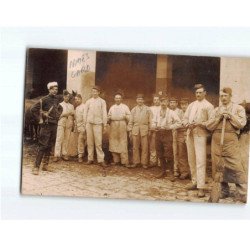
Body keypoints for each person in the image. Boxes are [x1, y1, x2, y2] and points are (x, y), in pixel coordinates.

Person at [206, 87, 247, 202]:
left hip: (230, 140)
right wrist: (219, 118)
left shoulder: (238, 109)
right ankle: (224, 190)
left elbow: (241, 124)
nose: (223, 98)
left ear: (230, 96)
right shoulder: (216, 110)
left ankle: (243, 192)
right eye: (221, 96)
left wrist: (230, 116)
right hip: (217, 140)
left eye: (225, 96)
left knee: (236, 165)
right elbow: (209, 126)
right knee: (219, 165)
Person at [183, 84, 214, 198]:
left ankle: (201, 187)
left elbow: (211, 122)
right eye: (196, 93)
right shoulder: (191, 105)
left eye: (200, 92)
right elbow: (185, 118)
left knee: (200, 160)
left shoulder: (209, 106)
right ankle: (195, 182)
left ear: (205, 93)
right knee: (191, 159)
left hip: (200, 135)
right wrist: (187, 124)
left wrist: (200, 124)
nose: (198, 94)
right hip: (190, 134)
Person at [30, 82, 63, 175]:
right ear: (49, 90)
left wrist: (58, 115)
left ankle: (45, 165)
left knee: (49, 145)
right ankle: (36, 167)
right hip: (46, 125)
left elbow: (60, 108)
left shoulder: (56, 99)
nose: (55, 91)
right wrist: (40, 119)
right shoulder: (43, 100)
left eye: (56, 89)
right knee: (43, 146)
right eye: (53, 89)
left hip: (54, 125)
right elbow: (33, 109)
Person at [154, 96, 181, 180]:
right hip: (158, 133)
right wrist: (155, 126)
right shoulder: (157, 112)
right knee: (160, 153)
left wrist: (170, 127)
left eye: (165, 102)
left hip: (167, 134)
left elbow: (179, 123)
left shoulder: (172, 112)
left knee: (169, 154)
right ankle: (163, 171)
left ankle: (171, 173)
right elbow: (153, 122)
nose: (163, 103)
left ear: (168, 103)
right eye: (161, 101)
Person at [83, 86, 108, 167]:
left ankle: (101, 160)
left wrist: (104, 124)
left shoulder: (102, 102)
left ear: (99, 92)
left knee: (98, 142)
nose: (94, 93)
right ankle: (90, 159)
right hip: (89, 123)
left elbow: (104, 113)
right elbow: (85, 113)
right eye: (93, 91)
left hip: (98, 124)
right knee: (90, 142)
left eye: (96, 91)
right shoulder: (88, 101)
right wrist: (85, 123)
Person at [127, 94, 152, 168]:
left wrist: (150, 129)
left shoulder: (148, 109)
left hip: (145, 129)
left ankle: (144, 163)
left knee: (145, 147)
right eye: (138, 99)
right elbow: (130, 121)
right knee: (135, 147)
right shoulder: (133, 110)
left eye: (141, 99)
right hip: (135, 129)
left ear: (143, 100)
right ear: (136, 100)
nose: (140, 101)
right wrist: (130, 131)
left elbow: (150, 121)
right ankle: (136, 162)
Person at [108, 92, 131, 167]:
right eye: (116, 98)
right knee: (114, 142)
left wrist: (125, 117)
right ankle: (116, 160)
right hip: (113, 125)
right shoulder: (112, 107)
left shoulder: (125, 107)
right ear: (114, 99)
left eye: (119, 98)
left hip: (122, 124)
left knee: (122, 142)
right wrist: (108, 118)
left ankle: (124, 161)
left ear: (121, 99)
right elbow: (108, 116)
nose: (117, 99)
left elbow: (129, 117)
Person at [54, 90, 75, 162]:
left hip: (69, 123)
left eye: (68, 97)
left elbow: (73, 115)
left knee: (66, 139)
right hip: (61, 123)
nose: (67, 98)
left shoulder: (71, 106)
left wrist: (72, 123)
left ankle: (64, 153)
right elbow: (57, 115)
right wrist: (65, 114)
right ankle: (56, 155)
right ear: (63, 97)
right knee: (59, 138)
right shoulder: (60, 105)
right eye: (65, 96)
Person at [176, 98, 190, 180]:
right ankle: (184, 172)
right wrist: (183, 126)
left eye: (185, 104)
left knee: (191, 154)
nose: (183, 106)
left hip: (189, 134)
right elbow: (177, 124)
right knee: (181, 154)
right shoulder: (178, 113)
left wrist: (184, 125)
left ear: (188, 104)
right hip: (180, 135)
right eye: (182, 104)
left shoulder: (191, 112)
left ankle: (191, 172)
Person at [169, 97, 182, 177]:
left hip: (177, 133)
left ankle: (176, 169)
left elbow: (180, 123)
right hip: (168, 133)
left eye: (174, 102)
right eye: (171, 102)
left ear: (177, 104)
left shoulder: (180, 112)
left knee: (176, 151)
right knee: (170, 151)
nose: (172, 104)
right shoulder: (167, 111)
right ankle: (171, 168)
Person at [149, 94, 161, 167]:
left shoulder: (162, 108)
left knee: (160, 146)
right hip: (153, 129)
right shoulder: (150, 108)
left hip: (160, 129)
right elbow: (150, 119)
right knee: (152, 146)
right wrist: (152, 127)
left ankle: (160, 161)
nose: (156, 101)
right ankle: (153, 161)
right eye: (155, 100)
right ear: (153, 101)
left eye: (157, 100)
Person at [75, 94, 86, 163]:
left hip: (83, 126)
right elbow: (76, 118)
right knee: (80, 141)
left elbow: (85, 118)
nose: (77, 101)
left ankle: (80, 156)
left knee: (81, 141)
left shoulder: (84, 107)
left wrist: (84, 127)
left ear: (81, 99)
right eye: (75, 99)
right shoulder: (77, 108)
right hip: (78, 126)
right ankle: (81, 155)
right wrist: (76, 126)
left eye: (78, 99)